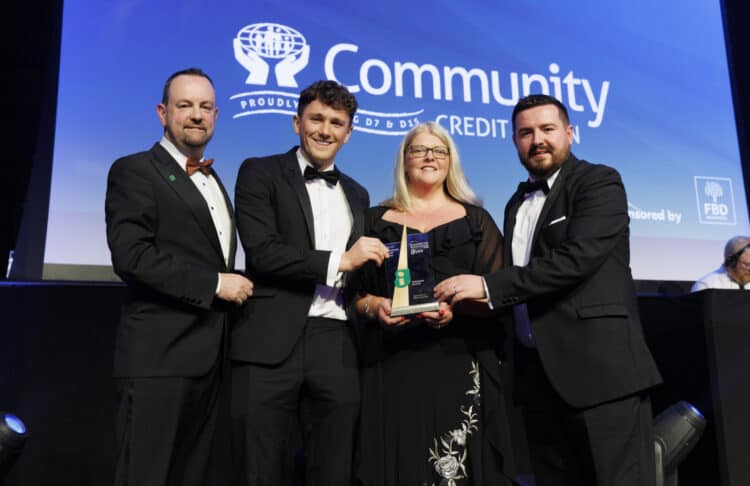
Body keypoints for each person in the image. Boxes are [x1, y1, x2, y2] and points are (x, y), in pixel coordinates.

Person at [434, 94, 662, 486]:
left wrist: (487, 285)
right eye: (525, 133)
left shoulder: (598, 181)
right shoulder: (514, 203)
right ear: (514, 141)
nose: (537, 140)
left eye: (547, 129)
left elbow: (575, 260)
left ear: (570, 133)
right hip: (536, 378)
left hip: (600, 374)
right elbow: (519, 283)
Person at [231, 80, 389, 485]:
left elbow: (362, 275)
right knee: (260, 468)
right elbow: (262, 252)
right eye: (316, 118)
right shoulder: (258, 171)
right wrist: (341, 259)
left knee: (335, 467)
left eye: (336, 123)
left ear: (349, 132)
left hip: (337, 340)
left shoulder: (357, 192)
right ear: (296, 122)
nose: (325, 130)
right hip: (270, 340)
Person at [105, 67, 254, 486]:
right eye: (184, 105)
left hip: (209, 361)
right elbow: (131, 256)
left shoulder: (214, 179)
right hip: (159, 361)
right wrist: (215, 283)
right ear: (162, 112)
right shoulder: (135, 170)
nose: (196, 115)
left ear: (216, 115)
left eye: (205, 107)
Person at [352, 122, 516, 486]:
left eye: (439, 150)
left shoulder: (477, 221)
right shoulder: (373, 221)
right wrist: (375, 305)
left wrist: (457, 308)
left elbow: (500, 297)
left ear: (450, 161)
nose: (429, 156)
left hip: (458, 361)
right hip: (391, 364)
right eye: (419, 149)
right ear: (404, 161)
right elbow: (354, 296)